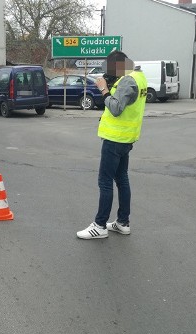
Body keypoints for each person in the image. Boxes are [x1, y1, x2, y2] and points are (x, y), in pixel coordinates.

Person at [76, 50, 147, 239]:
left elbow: (116, 108)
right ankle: (123, 222)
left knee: (105, 181)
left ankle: (100, 226)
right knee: (122, 179)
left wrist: (103, 89)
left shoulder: (128, 81)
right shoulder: (139, 77)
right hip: (126, 138)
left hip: (115, 139)